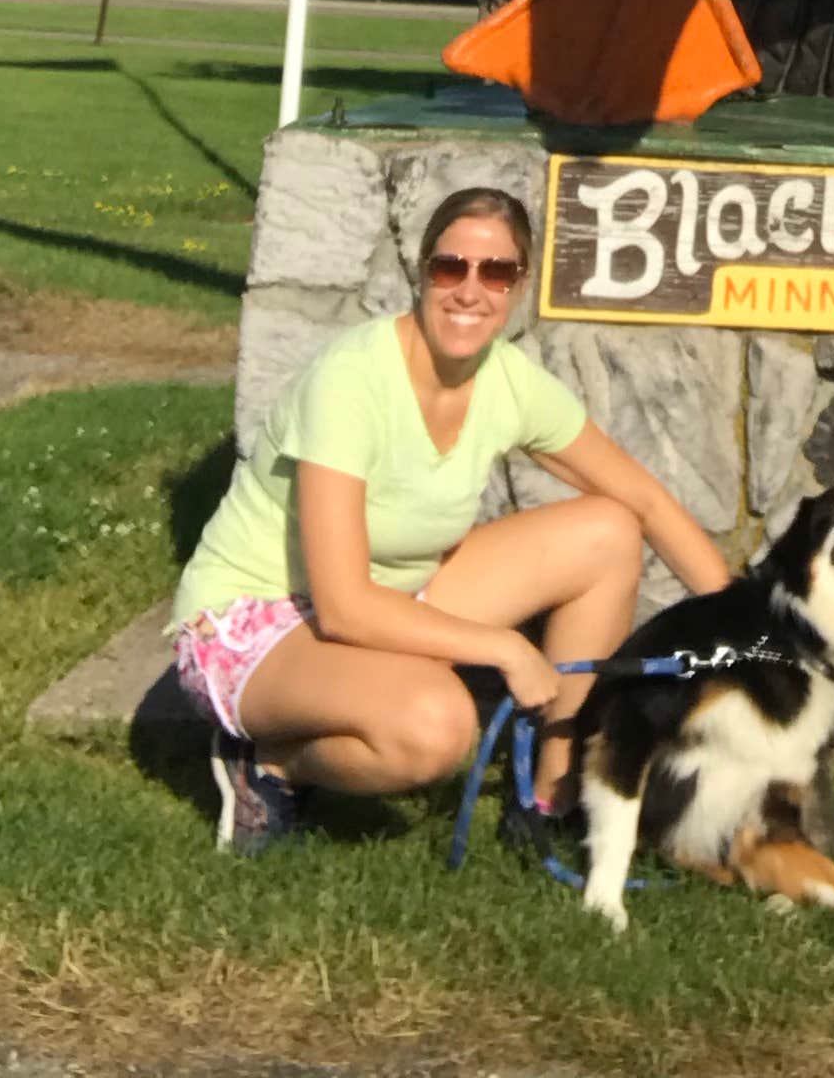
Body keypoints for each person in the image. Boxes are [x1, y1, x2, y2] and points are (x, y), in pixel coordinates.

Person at [169, 184, 731, 854]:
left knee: (608, 532)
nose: (470, 290)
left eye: (496, 272)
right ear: (422, 271)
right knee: (436, 727)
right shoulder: (352, 379)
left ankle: (549, 797)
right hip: (256, 619)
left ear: (519, 285)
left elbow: (645, 501)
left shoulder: (507, 381)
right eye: (450, 267)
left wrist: (750, 634)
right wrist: (506, 649)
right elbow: (343, 607)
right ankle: (271, 766)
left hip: (394, 596)